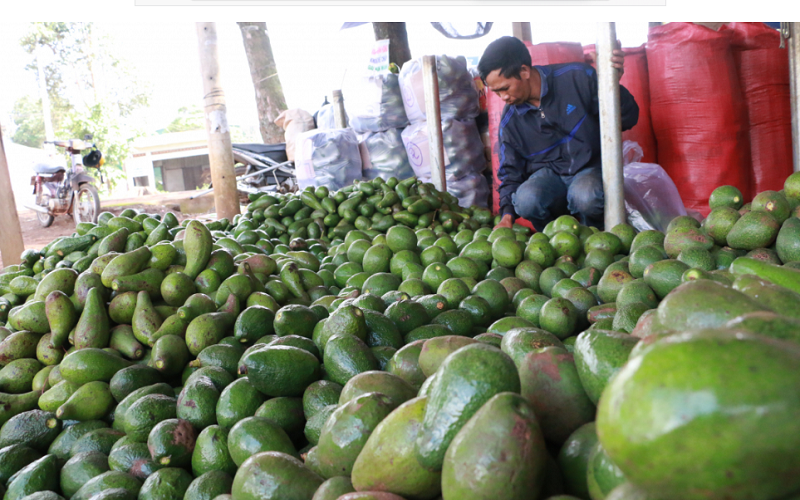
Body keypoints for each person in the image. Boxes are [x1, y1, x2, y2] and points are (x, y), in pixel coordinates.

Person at [478, 36, 639, 232]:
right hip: (549, 178)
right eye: (496, 93)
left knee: (585, 196)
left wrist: (612, 84)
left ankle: (598, 236)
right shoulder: (510, 120)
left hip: (590, 168)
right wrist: (506, 216)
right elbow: (510, 172)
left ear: (524, 71)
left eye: (505, 88)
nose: (503, 98)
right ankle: (555, 241)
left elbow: (629, 118)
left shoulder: (578, 78)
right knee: (526, 200)